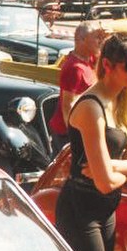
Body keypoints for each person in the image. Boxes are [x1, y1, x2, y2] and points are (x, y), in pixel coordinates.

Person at [54, 32, 127, 251]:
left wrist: (114, 166)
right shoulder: (91, 106)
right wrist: (123, 170)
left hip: (106, 209)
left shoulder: (125, 101)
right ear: (107, 65)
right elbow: (105, 183)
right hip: (81, 209)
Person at [49, 22, 107, 156]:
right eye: (96, 37)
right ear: (82, 39)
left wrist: (105, 37)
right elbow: (68, 105)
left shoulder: (90, 59)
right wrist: (74, 136)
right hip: (66, 133)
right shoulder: (74, 68)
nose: (100, 41)